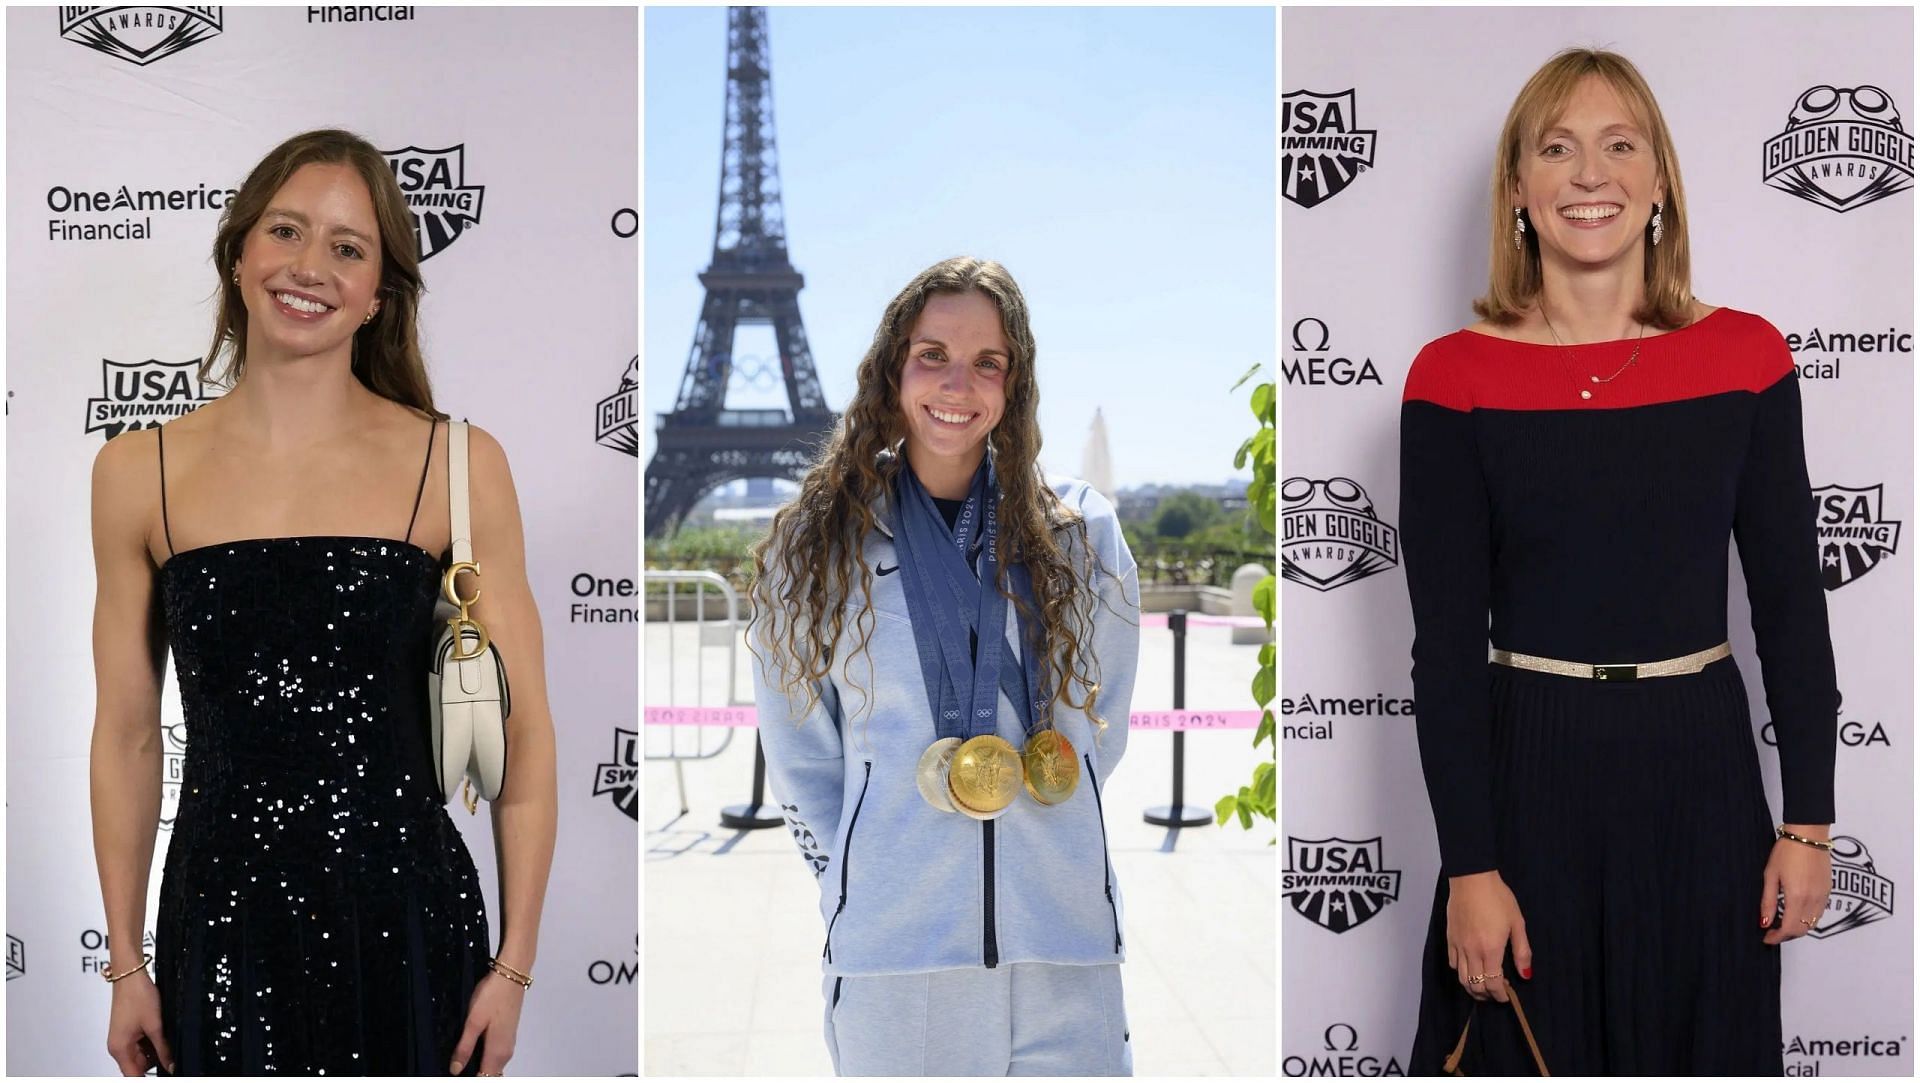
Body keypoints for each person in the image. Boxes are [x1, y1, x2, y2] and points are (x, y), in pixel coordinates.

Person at [1397, 50, 1839, 1075]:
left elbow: (1789, 606)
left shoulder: (1747, 356)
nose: (1589, 175)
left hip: (1702, 777)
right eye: (1557, 149)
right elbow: (1447, 651)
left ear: (1660, 183)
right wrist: (1471, 867)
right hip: (1524, 780)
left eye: (1618, 145)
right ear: (1519, 189)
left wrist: (1809, 823)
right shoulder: (1453, 376)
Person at [88, 129, 559, 1077]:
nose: (310, 267)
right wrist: (126, 962)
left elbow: (531, 739)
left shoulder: (461, 464)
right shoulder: (137, 471)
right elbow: (129, 735)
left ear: (380, 291)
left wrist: (512, 967)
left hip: (409, 922)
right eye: (287, 231)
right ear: (239, 252)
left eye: (348, 247)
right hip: (220, 928)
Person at [748, 257, 1142, 1076]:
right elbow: (803, 764)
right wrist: (860, 884)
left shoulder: (1084, 534)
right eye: (932, 354)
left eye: (987, 361)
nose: (957, 383)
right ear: (893, 368)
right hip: (898, 962)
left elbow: (1099, 733)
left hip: (1065, 953)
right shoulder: (814, 546)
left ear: (1015, 380)